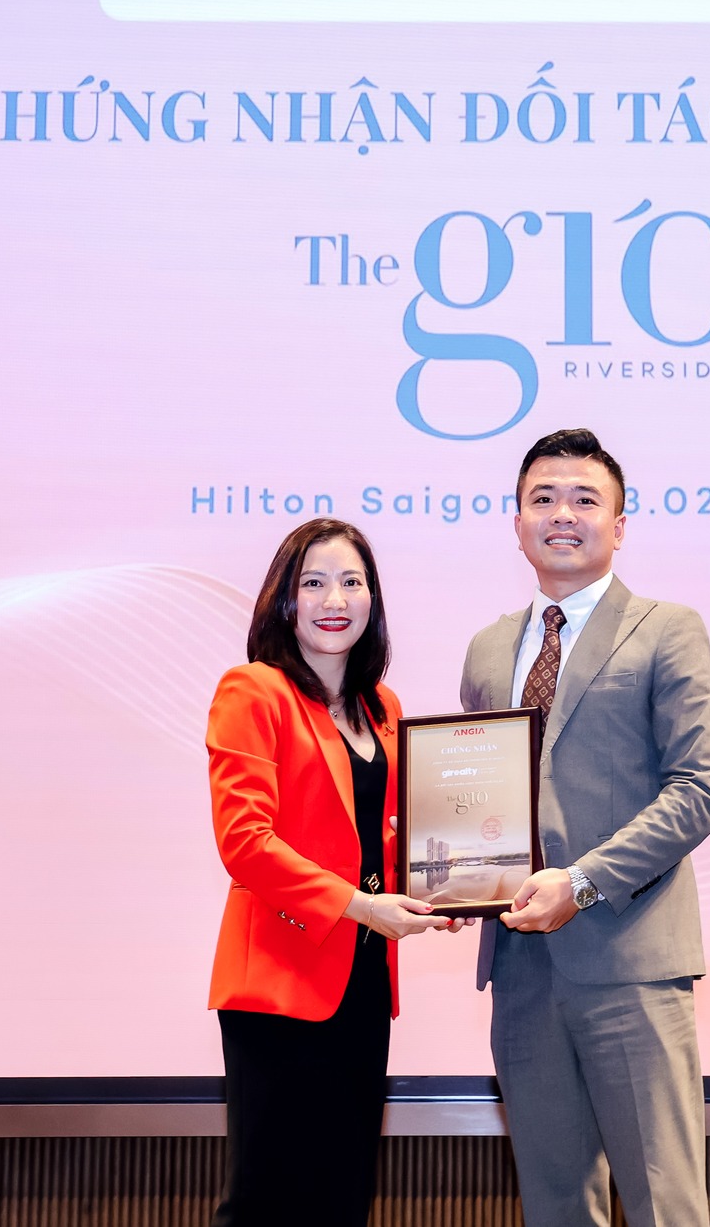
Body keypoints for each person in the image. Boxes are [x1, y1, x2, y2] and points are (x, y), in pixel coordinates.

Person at [459, 428, 710, 1227]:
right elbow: (476, 794)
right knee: (555, 1208)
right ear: (517, 522)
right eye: (542, 498)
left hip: (632, 963)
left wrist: (580, 882)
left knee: (664, 1206)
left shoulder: (668, 629)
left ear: (619, 523)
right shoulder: (487, 649)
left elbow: (703, 787)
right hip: (522, 971)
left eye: (585, 499)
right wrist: (452, 872)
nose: (562, 515)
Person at [206, 518, 458, 1227]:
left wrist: (452, 887)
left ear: (373, 598)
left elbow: (393, 836)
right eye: (313, 582)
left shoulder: (383, 708)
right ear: (284, 600)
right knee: (267, 1201)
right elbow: (245, 842)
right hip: (280, 984)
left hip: (364, 980)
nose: (334, 599)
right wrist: (361, 905)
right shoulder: (254, 691)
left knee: (343, 1195)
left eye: (352, 581)